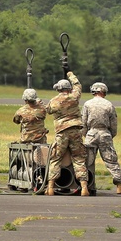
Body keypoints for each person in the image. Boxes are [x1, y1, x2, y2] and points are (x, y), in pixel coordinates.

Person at [45, 65, 89, 196]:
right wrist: (69, 72)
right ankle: (84, 187)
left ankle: (51, 187)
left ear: (58, 89)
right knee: (79, 158)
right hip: (76, 130)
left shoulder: (54, 101)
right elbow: (77, 84)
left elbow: (47, 110)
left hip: (62, 132)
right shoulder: (75, 96)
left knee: (55, 158)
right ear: (68, 88)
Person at [82, 82, 121, 194]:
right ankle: (119, 186)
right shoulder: (109, 104)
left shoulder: (87, 104)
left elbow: (83, 122)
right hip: (105, 133)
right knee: (111, 160)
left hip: (91, 133)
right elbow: (114, 124)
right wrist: (110, 135)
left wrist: (86, 134)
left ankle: (85, 187)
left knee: (87, 162)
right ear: (103, 91)